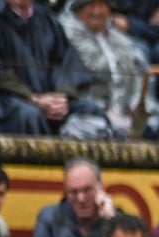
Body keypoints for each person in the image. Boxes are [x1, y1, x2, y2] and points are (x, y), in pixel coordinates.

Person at [0, 0, 101, 135]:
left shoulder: (46, 18)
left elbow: (66, 62)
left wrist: (60, 97)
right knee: (29, 116)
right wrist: (34, 99)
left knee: (90, 110)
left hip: (48, 98)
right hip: (0, 99)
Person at [62, 0, 151, 136]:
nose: (96, 12)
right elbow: (91, 69)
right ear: (79, 10)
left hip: (123, 111)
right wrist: (108, 113)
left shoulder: (121, 40)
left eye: (101, 6)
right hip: (86, 110)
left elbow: (138, 73)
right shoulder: (66, 36)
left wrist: (136, 106)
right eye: (91, 6)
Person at [28, 158, 115, 237]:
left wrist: (112, 220)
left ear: (101, 188)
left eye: (87, 190)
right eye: (73, 192)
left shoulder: (115, 219)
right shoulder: (50, 217)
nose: (81, 199)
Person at [107, 0, 159, 70]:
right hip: (127, 39)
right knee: (140, 50)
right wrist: (149, 25)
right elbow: (116, 21)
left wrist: (133, 25)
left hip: (157, 39)